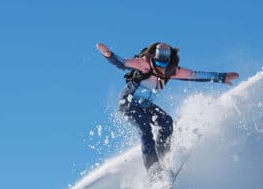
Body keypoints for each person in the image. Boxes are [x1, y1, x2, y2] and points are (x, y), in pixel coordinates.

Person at [96, 42, 239, 181]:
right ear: (153, 59)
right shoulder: (143, 63)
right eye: (157, 63)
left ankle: (163, 160)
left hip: (145, 105)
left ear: (168, 62)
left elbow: (195, 75)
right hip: (128, 103)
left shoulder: (172, 71)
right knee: (145, 130)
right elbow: (122, 63)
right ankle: (154, 173)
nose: (160, 67)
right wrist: (108, 54)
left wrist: (222, 77)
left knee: (166, 122)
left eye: (163, 64)